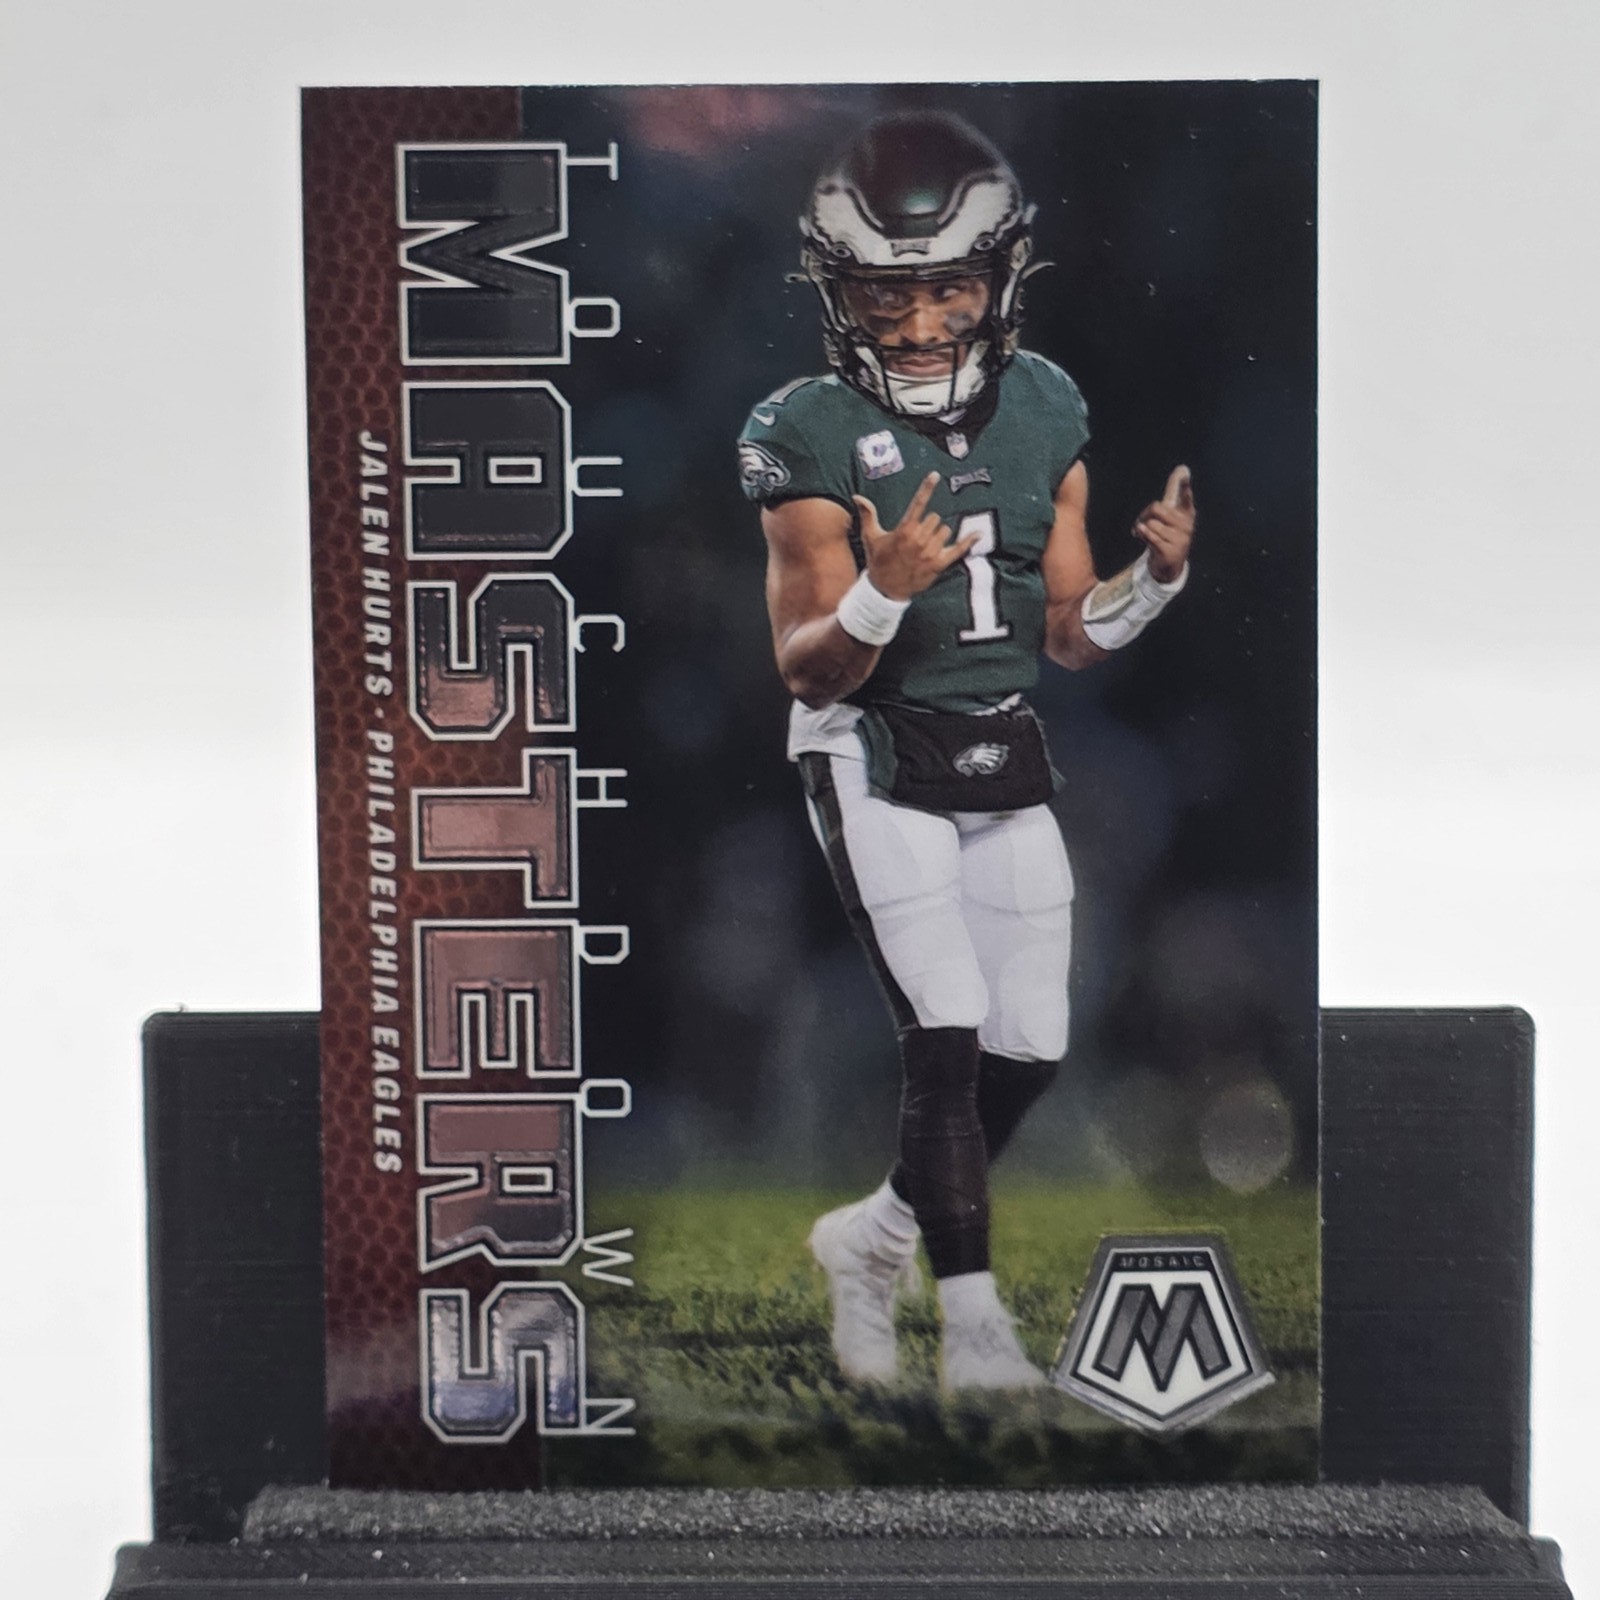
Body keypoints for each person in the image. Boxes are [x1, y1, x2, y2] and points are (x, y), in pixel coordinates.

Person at [737, 110, 1195, 1390]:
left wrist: (1152, 585)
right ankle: (974, 1331)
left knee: (1031, 1045)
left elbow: (1068, 633)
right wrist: (881, 592)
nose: (923, 322)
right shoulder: (801, 429)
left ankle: (872, 1237)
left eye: (950, 286)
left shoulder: (1044, 403)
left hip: (995, 737)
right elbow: (807, 665)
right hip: (870, 742)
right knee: (943, 1025)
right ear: (839, 291)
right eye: (888, 294)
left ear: (1002, 278)